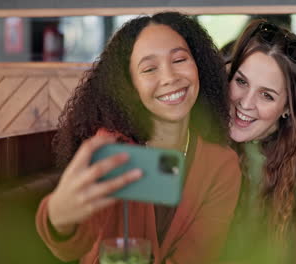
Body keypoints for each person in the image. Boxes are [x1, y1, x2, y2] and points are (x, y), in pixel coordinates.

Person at [35, 12, 241, 264]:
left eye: (179, 59)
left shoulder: (221, 163)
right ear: (129, 86)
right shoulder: (113, 150)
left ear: (199, 66)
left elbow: (197, 256)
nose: (169, 77)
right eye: (149, 68)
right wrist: (58, 218)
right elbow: (75, 244)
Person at [222, 20, 296, 263]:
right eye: (241, 82)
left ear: (287, 107)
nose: (245, 103)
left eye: (266, 95)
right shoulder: (213, 141)